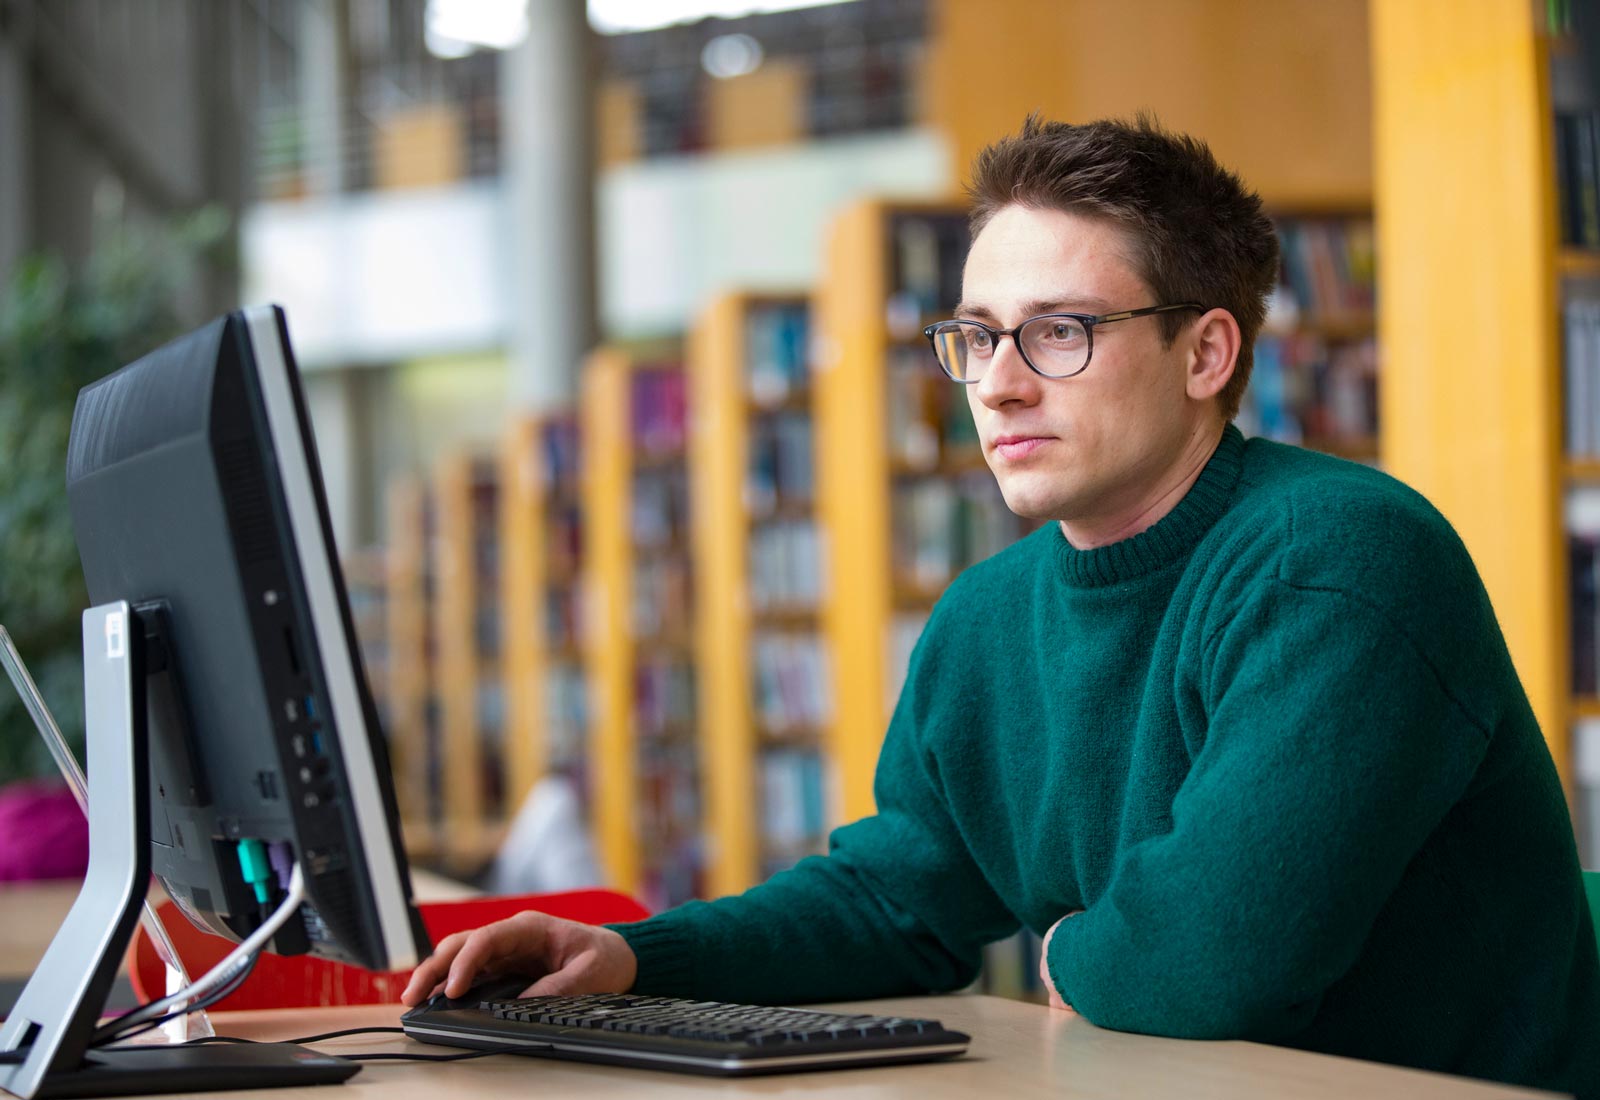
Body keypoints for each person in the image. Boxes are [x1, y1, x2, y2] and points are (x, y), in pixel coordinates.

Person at [402, 115, 1600, 1095]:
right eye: (974, 336)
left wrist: (1073, 945)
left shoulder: (1342, 560)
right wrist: (629, 957)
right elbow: (895, 897)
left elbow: (1209, 966)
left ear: (1207, 353)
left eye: (1060, 332)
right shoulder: (986, 615)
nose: (999, 382)